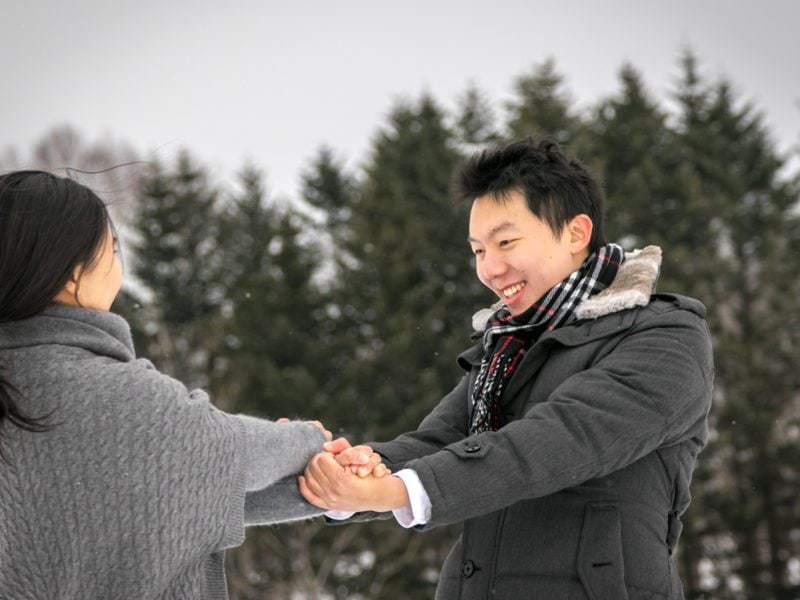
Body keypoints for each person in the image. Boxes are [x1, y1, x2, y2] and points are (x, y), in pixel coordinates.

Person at [299, 139, 714, 600]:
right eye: (477, 250)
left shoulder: (664, 337)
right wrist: (351, 473)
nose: (490, 268)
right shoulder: (507, 345)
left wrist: (399, 491)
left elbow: (558, 441)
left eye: (505, 242)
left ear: (576, 234)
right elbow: (439, 444)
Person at [0, 170, 379, 600]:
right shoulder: (117, 398)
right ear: (72, 274)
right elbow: (230, 451)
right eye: (113, 248)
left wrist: (322, 491)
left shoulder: (18, 384)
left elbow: (165, 496)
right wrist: (310, 441)